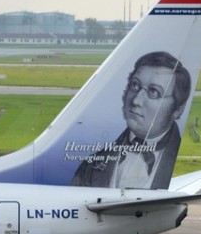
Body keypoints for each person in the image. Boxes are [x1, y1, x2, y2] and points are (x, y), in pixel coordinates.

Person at [70, 51, 191, 189]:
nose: (136, 100)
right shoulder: (91, 164)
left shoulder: (181, 159)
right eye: (134, 85)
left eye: (154, 92)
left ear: (178, 109)